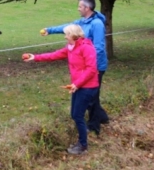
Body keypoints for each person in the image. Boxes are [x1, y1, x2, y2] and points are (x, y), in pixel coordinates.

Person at [24, 24, 99, 155]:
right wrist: (34, 57)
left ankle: (83, 145)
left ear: (74, 36)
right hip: (78, 85)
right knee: (75, 114)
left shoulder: (86, 48)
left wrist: (77, 84)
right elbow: (54, 55)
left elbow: (91, 69)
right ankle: (83, 137)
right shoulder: (71, 48)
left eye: (67, 34)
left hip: (87, 86)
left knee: (77, 115)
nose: (65, 36)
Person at [41, 0, 109, 135]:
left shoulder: (97, 24)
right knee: (92, 97)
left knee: (92, 98)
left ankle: (94, 126)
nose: (78, 9)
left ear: (87, 8)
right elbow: (68, 28)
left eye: (80, 6)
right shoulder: (82, 21)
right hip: (84, 66)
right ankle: (103, 118)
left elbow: (99, 48)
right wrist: (50, 30)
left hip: (94, 66)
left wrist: (92, 68)